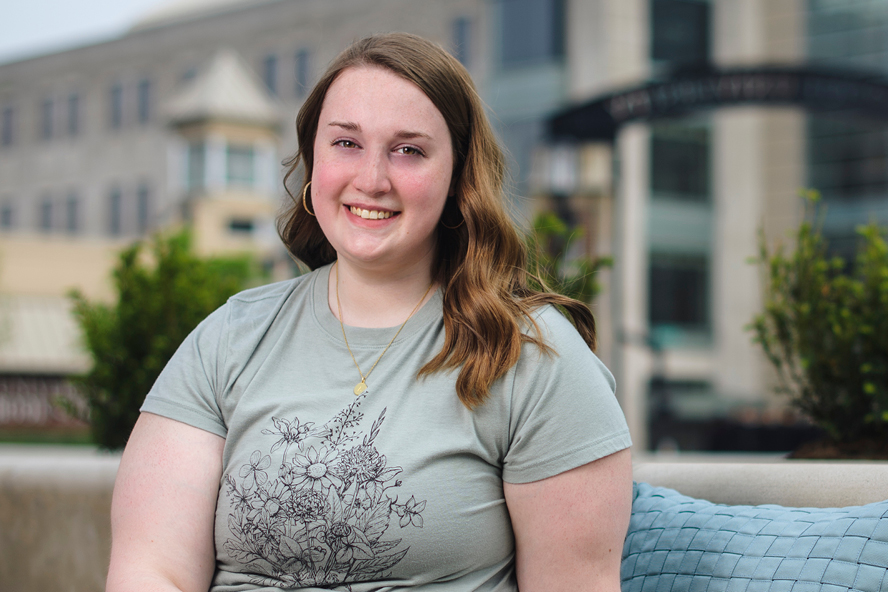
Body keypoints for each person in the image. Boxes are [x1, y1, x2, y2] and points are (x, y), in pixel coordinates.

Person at [106, 32, 633, 592]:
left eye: (409, 150)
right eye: (346, 144)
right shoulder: (229, 339)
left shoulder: (531, 356)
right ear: (314, 159)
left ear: (458, 177)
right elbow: (151, 571)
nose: (372, 180)